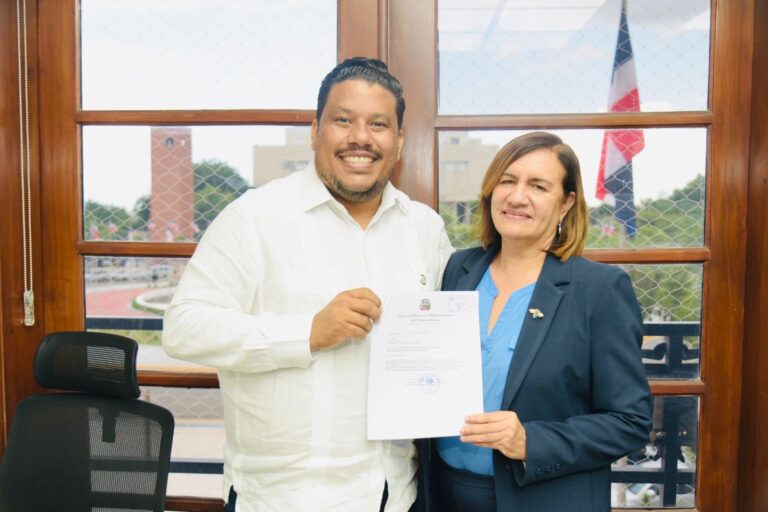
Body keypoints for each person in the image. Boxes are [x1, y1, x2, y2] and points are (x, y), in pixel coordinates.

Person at [162, 57, 453, 512]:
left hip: (396, 494)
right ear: (316, 131)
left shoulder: (424, 227)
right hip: (281, 498)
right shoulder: (254, 217)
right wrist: (308, 332)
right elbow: (184, 329)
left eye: (379, 124)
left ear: (398, 141)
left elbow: (447, 342)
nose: (361, 138)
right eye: (343, 120)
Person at [419, 132, 652, 511]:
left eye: (538, 186)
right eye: (507, 181)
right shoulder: (459, 268)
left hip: (544, 498)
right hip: (444, 494)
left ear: (566, 203)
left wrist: (531, 441)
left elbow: (630, 422)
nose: (517, 196)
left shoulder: (600, 289)